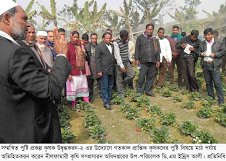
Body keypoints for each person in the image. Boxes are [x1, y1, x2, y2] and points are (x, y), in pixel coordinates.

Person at [0, 1, 72, 143]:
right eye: (24, 19)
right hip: (28, 133)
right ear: (7, 18)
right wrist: (62, 55)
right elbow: (51, 89)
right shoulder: (15, 53)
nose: (27, 25)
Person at [199, 28, 225, 106]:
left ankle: (221, 100)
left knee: (217, 83)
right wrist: (201, 54)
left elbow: (223, 51)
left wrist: (215, 55)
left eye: (209, 35)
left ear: (212, 34)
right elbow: (199, 52)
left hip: (214, 65)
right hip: (205, 64)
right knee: (208, 83)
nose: (207, 37)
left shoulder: (219, 42)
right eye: (206, 35)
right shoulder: (203, 43)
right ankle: (211, 97)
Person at [66, 31, 90, 110]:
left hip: (81, 70)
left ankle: (87, 102)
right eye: (74, 37)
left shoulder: (81, 46)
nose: (76, 39)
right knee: (73, 88)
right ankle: (73, 104)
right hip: (73, 71)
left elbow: (85, 58)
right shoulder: (68, 47)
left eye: (77, 37)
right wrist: (68, 73)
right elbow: (67, 60)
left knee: (83, 85)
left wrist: (84, 53)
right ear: (71, 37)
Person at [135, 24, 160, 96]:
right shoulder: (140, 38)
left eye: (151, 29)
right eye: (148, 29)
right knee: (142, 77)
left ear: (153, 30)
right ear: (146, 29)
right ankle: (139, 91)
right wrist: (137, 59)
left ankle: (148, 91)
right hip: (143, 61)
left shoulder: (155, 39)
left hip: (152, 60)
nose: (150, 31)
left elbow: (158, 51)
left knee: (150, 77)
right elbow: (137, 49)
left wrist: (158, 60)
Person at [95, 32, 116, 110]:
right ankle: (106, 102)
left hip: (111, 69)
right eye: (106, 38)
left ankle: (109, 99)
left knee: (110, 85)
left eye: (109, 38)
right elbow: (97, 60)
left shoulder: (112, 46)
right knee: (104, 86)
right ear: (103, 38)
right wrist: (99, 70)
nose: (108, 39)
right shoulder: (99, 47)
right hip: (104, 69)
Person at [113, 30, 135, 98]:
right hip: (119, 64)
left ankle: (122, 84)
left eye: (127, 38)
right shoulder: (116, 43)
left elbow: (127, 51)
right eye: (125, 39)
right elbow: (117, 55)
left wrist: (130, 59)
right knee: (118, 78)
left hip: (126, 62)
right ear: (121, 37)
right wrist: (121, 66)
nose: (126, 40)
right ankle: (121, 94)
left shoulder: (127, 41)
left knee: (132, 75)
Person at [85, 33, 101, 102]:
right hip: (90, 68)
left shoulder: (99, 46)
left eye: (95, 39)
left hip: (98, 68)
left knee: (100, 83)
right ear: (90, 39)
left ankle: (101, 96)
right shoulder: (87, 47)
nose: (94, 40)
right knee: (90, 84)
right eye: (93, 39)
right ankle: (90, 98)